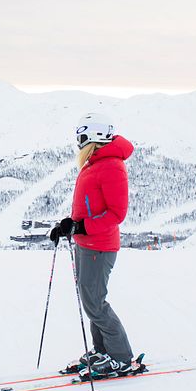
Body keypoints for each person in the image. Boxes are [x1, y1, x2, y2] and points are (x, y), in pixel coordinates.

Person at [49, 113, 139, 377]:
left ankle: (121, 357)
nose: (78, 143)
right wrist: (68, 225)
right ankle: (103, 350)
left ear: (93, 137)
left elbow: (115, 213)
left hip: (99, 245)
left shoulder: (111, 165)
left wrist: (82, 227)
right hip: (88, 243)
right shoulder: (95, 163)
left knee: (95, 303)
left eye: (81, 137)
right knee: (91, 301)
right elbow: (90, 206)